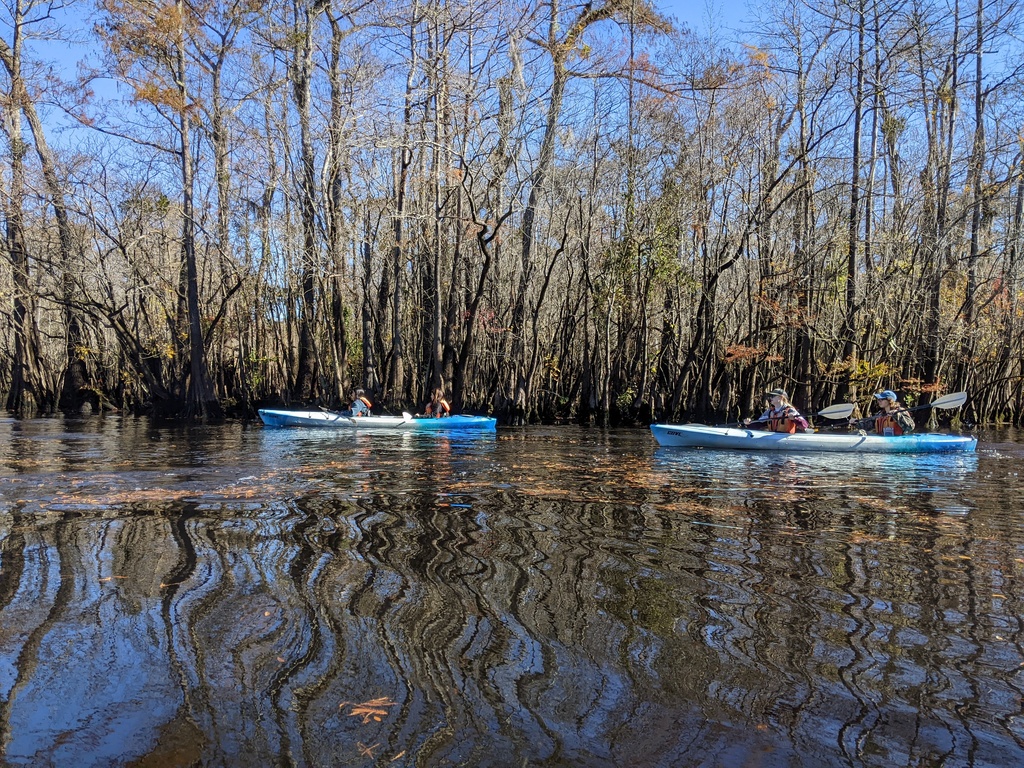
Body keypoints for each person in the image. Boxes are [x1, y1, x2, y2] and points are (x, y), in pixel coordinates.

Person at [744, 388, 810, 433]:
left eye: (773, 396)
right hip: (773, 437)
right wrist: (749, 423)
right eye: (770, 396)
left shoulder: (790, 410)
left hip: (786, 438)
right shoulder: (769, 412)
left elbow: (804, 425)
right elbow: (758, 424)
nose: (770, 398)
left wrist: (794, 419)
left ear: (780, 398)